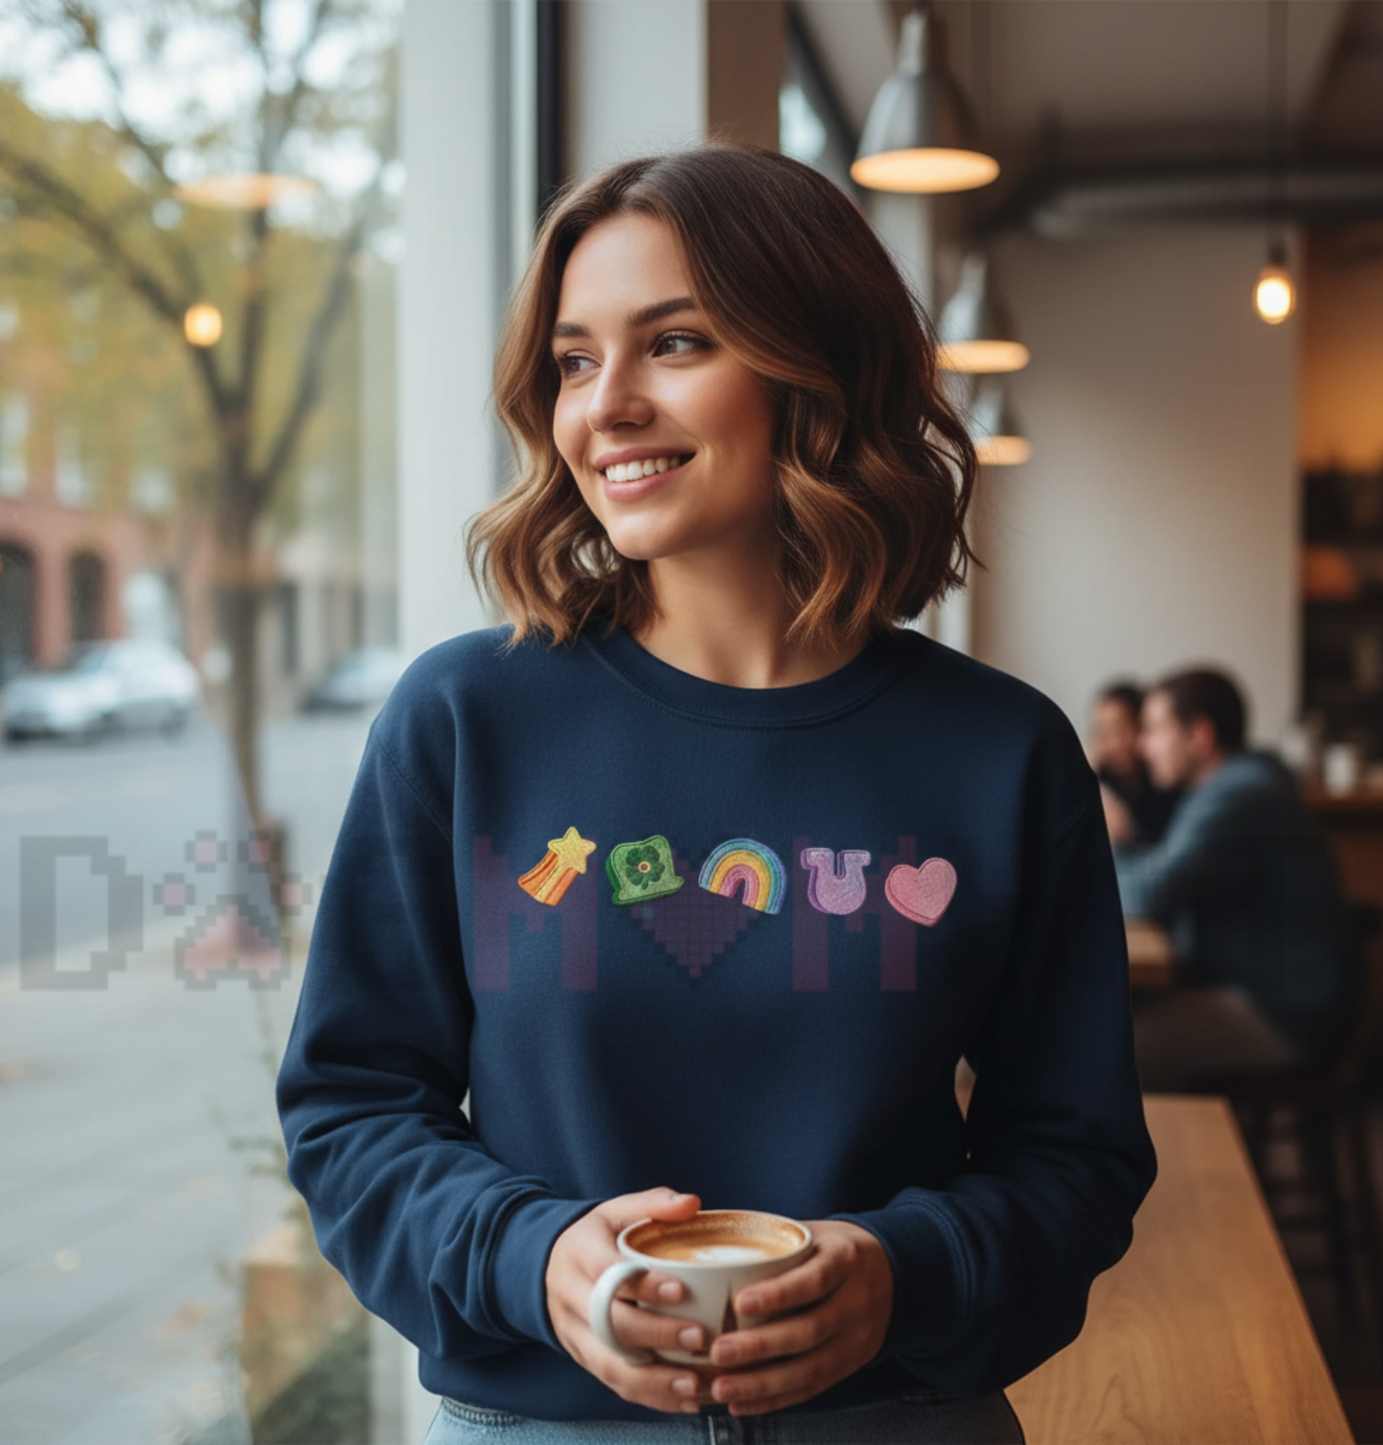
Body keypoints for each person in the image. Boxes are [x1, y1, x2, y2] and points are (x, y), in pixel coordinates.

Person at [277, 146, 1155, 1442]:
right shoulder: (464, 720)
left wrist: (899, 1273)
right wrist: (536, 1254)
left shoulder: (1002, 752)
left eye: (673, 343)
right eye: (575, 361)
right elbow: (350, 1108)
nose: (606, 404)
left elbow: (1077, 1160)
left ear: (818, 372)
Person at [1114, 668, 1347, 1091]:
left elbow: (1150, 893)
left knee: (1104, 1049)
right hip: (1267, 995)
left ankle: (1171, 1157)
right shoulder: (1229, 786)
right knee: (1102, 1026)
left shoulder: (1238, 794)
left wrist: (1112, 839)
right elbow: (1166, 876)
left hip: (1283, 1014)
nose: (1144, 747)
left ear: (1200, 736)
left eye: (1154, 730)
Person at [1091, 680, 1178, 846]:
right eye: (1104, 733)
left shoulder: (1167, 780)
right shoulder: (1098, 782)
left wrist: (1127, 832)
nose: (1114, 744)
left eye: (1122, 730)